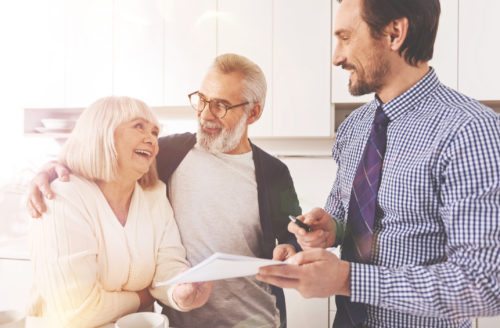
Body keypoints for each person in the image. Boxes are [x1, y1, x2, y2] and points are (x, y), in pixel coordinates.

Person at [257, 0, 500, 327]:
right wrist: (325, 230)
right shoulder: (354, 127)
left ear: (394, 33)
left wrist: (348, 280)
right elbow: (344, 214)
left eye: (346, 38)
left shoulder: (471, 131)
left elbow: (483, 284)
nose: (336, 57)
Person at [27, 54, 302, 328]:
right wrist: (54, 167)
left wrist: (292, 248)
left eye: (220, 106)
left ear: (253, 112)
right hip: (182, 319)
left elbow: (293, 235)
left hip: (256, 319)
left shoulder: (274, 173)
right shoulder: (170, 153)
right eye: (202, 100)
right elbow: (108, 158)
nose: (206, 114)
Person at [28, 96, 213, 327]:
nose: (152, 140)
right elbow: (76, 311)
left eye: (155, 132)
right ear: (102, 133)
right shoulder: (63, 198)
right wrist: (144, 296)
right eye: (139, 126)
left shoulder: (154, 195)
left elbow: (168, 263)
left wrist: (179, 291)